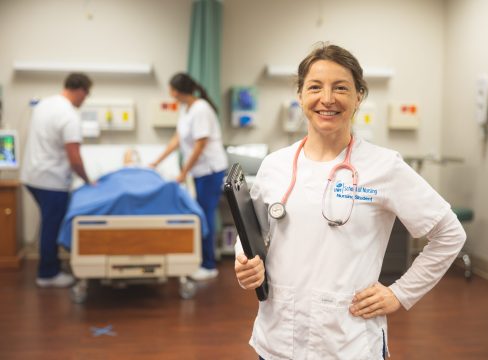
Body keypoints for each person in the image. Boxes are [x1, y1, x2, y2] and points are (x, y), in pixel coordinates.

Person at [234, 43, 466, 359]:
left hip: (350, 343)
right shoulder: (275, 165)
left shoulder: (384, 166)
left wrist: (400, 294)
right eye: (315, 87)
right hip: (276, 341)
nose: (327, 99)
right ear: (300, 95)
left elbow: (449, 234)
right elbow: (250, 230)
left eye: (340, 88)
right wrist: (245, 260)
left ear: (358, 97)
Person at [150, 73, 228, 281]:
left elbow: (200, 146)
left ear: (177, 90)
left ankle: (209, 265)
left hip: (210, 171)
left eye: (171, 90)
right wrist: (157, 161)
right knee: (200, 213)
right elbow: (177, 139)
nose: (170, 94)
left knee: (205, 215)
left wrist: (183, 172)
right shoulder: (186, 109)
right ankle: (202, 260)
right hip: (199, 171)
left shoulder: (201, 109)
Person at [21, 73, 93, 288]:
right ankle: (47, 274)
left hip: (32, 176)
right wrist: (88, 181)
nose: (84, 100)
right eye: (86, 95)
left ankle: (50, 265)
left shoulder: (45, 104)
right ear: (80, 90)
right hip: (51, 180)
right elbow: (75, 159)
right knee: (52, 226)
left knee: (48, 223)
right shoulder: (69, 115)